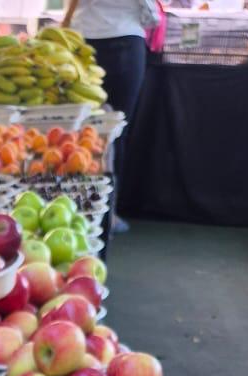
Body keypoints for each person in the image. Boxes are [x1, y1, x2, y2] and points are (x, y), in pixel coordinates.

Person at [57, 0, 159, 229]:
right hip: (124, 37)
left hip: (83, 40)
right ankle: (107, 213)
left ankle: (77, 209)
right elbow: (151, 12)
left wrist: (65, 22)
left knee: (80, 130)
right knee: (116, 130)